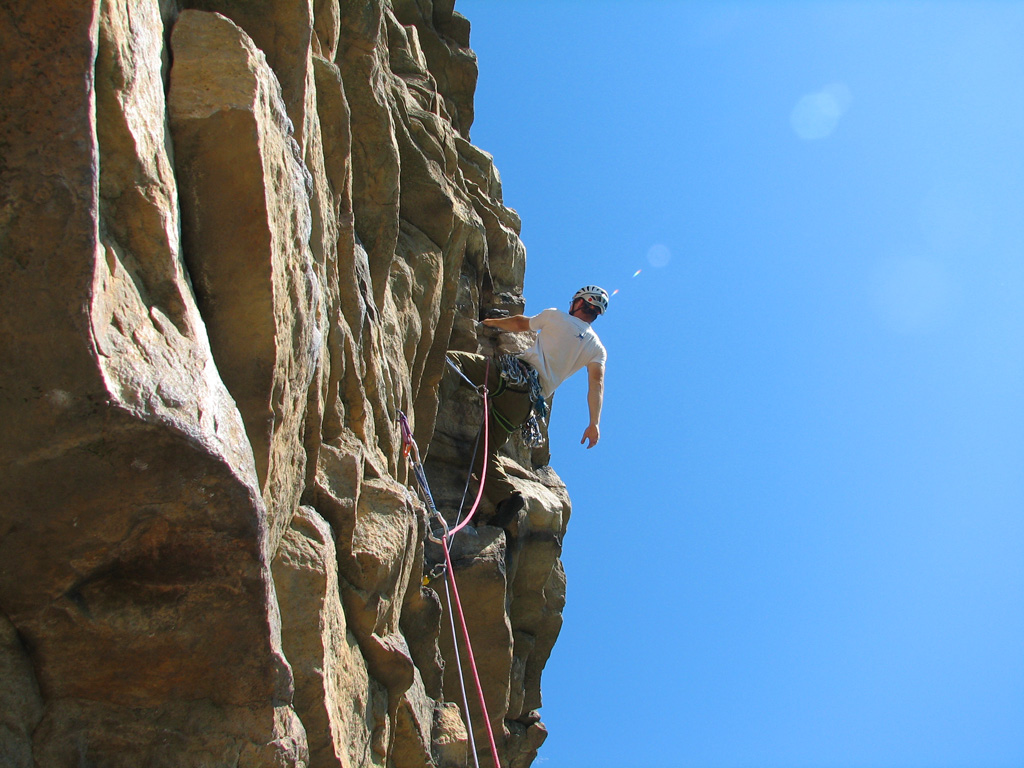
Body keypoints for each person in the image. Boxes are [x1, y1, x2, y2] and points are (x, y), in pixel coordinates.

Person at [446, 285, 609, 525]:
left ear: (579, 303)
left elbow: (522, 323)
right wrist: (594, 423)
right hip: (525, 404)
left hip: (511, 375)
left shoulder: (556, 316)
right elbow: (596, 384)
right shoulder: (597, 349)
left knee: (452, 360)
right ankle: (506, 498)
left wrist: (491, 322)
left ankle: (433, 394)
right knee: (482, 452)